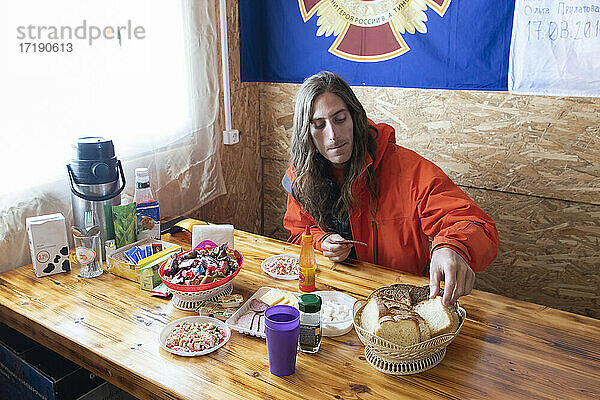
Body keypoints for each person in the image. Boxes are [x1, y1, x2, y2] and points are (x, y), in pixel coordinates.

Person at [282, 71, 499, 306]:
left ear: (355, 117)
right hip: (330, 300)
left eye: (340, 119)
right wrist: (321, 241)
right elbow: (297, 233)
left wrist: (454, 246)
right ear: (307, 134)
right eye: (319, 125)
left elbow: (476, 224)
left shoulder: (407, 169)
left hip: (401, 301)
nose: (333, 135)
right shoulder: (301, 175)